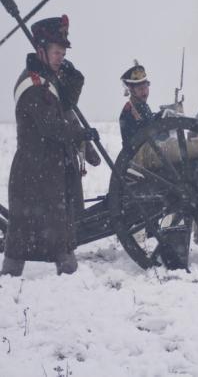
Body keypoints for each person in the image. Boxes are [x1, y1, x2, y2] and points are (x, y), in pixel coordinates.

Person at [0, 15, 98, 277]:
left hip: (50, 169)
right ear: (40, 50)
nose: (60, 57)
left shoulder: (49, 81)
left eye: (63, 53)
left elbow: (65, 108)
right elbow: (51, 126)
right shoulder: (32, 86)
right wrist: (81, 134)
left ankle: (68, 276)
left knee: (58, 228)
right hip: (33, 171)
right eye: (56, 52)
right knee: (24, 233)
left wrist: (72, 80)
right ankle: (10, 282)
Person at [119, 61, 161, 148]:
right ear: (132, 90)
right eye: (140, 88)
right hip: (141, 154)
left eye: (146, 87)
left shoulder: (142, 105)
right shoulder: (129, 110)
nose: (144, 92)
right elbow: (145, 129)